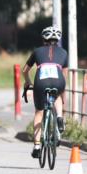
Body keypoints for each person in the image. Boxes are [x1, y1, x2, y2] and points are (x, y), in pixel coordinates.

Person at [22, 26, 67, 158]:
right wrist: (62, 89)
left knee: (39, 112)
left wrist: (28, 82)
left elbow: (25, 70)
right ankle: (59, 117)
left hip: (41, 83)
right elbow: (65, 74)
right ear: (57, 40)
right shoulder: (64, 52)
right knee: (57, 95)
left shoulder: (37, 51)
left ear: (43, 39)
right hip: (59, 81)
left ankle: (37, 146)